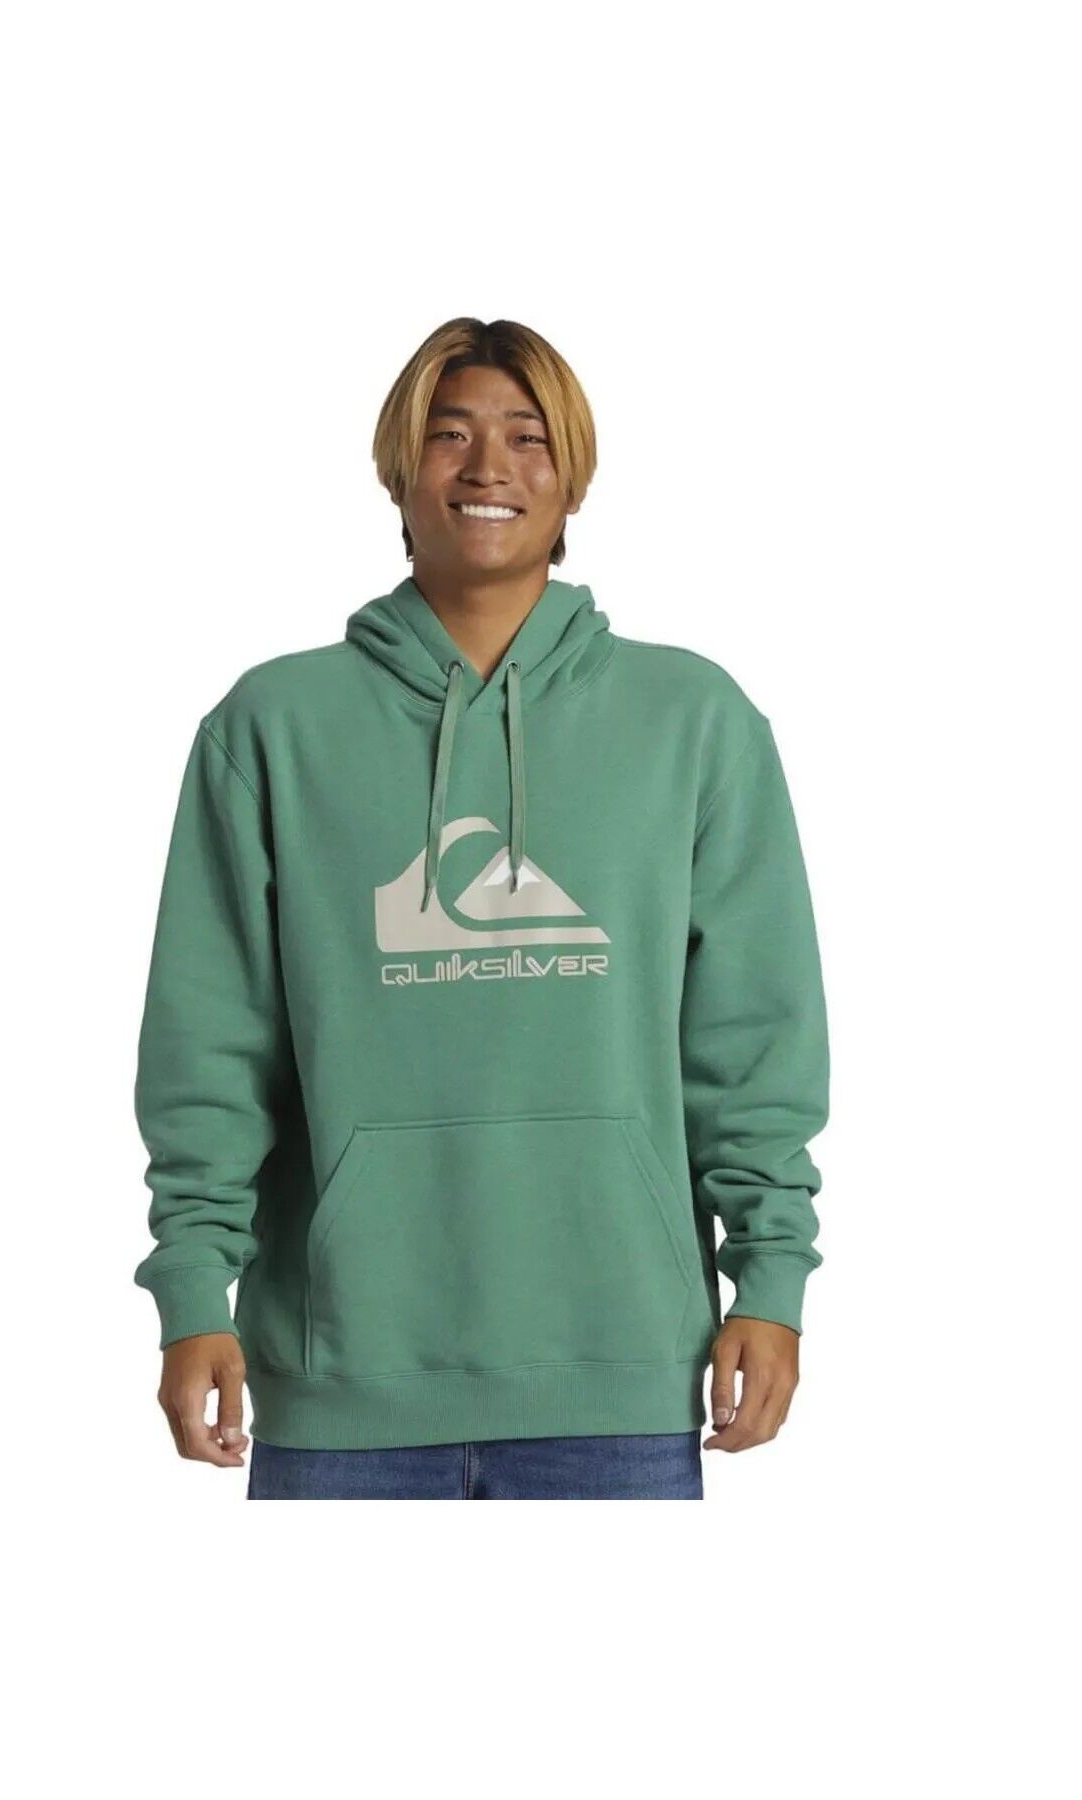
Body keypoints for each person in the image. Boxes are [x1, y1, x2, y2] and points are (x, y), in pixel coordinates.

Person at [132, 316, 830, 1501]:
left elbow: (754, 1038)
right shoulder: (272, 728)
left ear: (574, 479)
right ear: (399, 471)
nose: (488, 467)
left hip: (619, 1372)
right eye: (450, 435)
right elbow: (211, 1041)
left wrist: (772, 1282)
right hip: (341, 1378)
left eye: (527, 437)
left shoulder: (694, 722)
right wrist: (194, 1292)